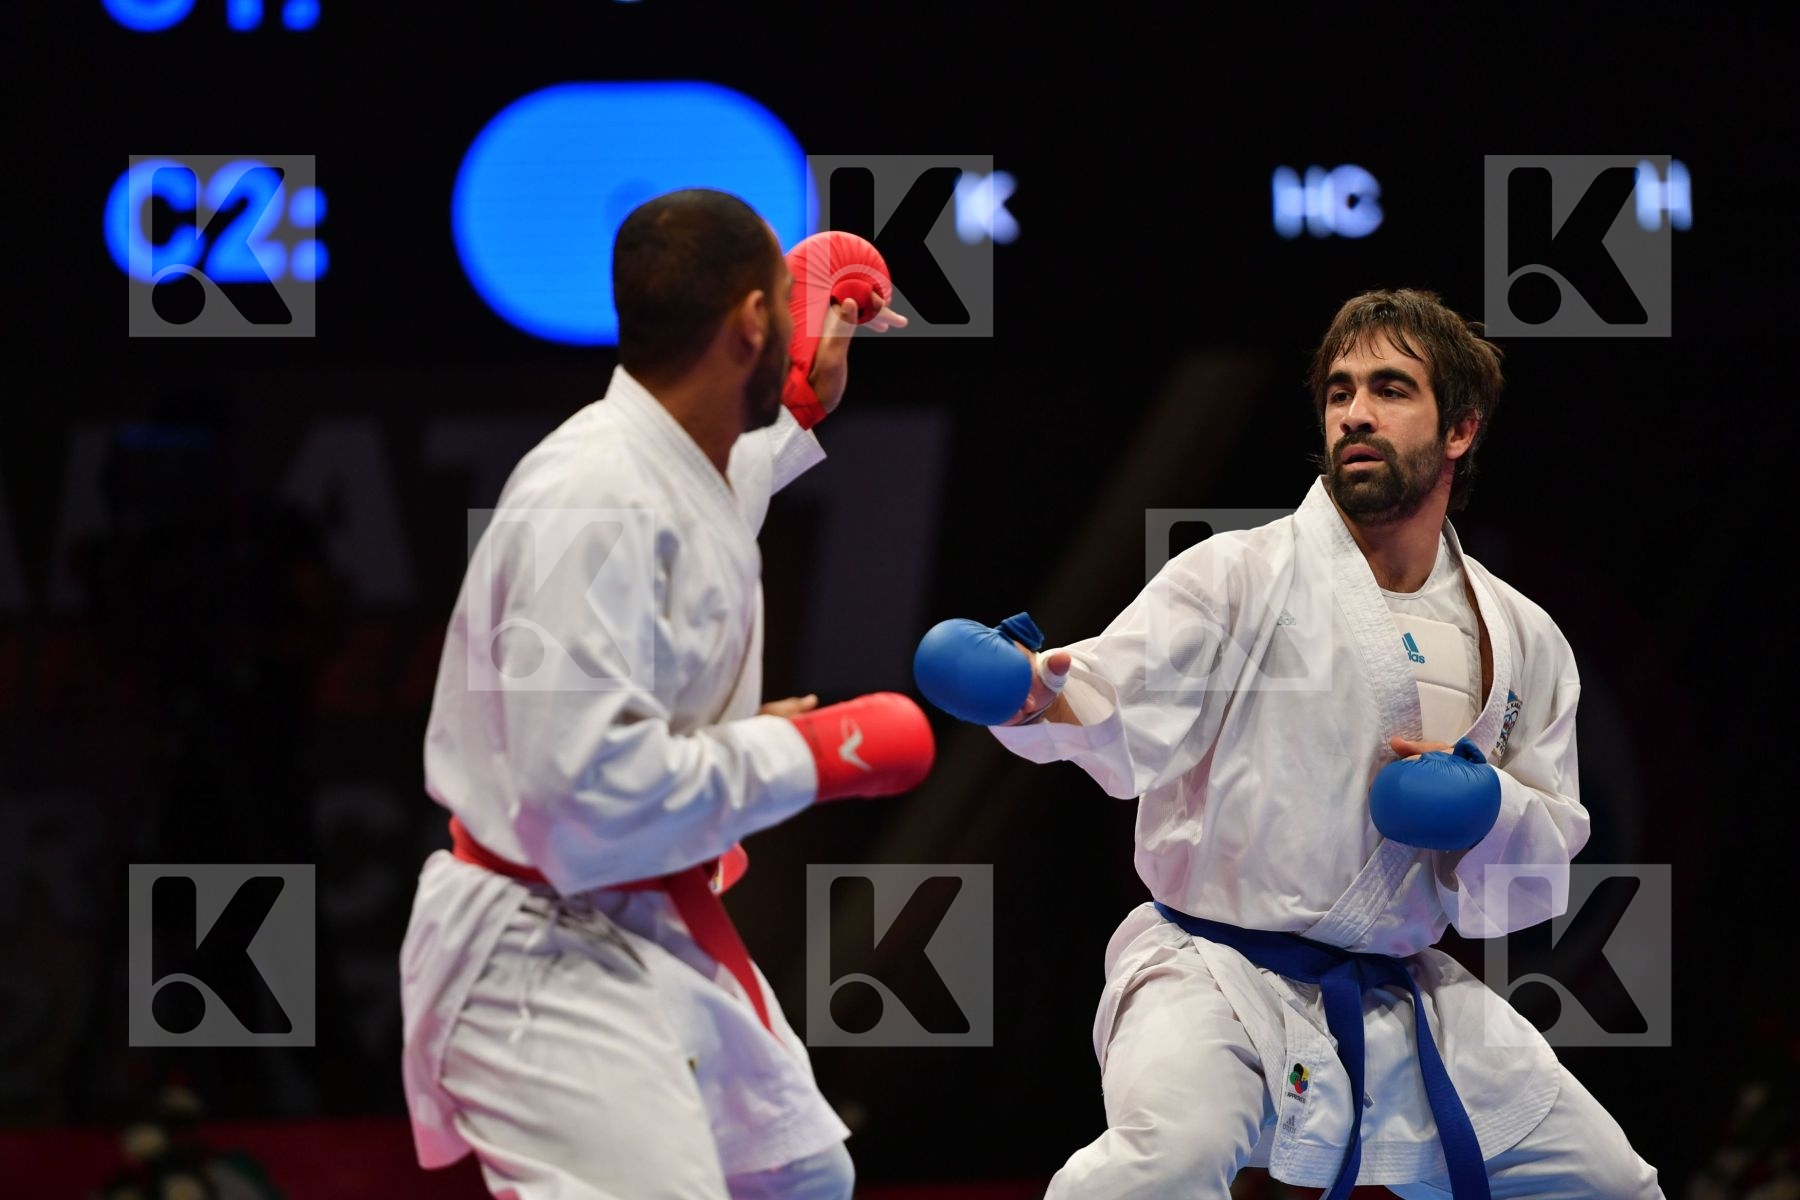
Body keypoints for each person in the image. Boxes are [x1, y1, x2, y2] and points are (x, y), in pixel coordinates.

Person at [915, 290, 1662, 1197]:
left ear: (1460, 428)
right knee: (1165, 1164)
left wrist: (1488, 807)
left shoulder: (1524, 636)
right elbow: (1116, 696)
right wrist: (1031, 694)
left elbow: (1523, 889)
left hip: (1400, 993)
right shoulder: (1238, 575)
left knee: (1606, 1180)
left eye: (1391, 388)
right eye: (1340, 390)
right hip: (1213, 982)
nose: (1355, 411)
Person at [399, 188, 934, 1200]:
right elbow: (577, 799)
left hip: (635, 914)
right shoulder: (590, 498)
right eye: (784, 299)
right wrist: (810, 755)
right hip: (536, 950)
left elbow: (708, 499)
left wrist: (805, 395)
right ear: (749, 324)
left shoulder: (673, 457)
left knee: (801, 1178)